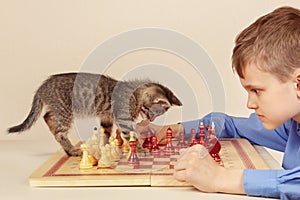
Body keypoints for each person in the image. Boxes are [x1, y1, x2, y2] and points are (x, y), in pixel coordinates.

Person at [136, 6, 300, 199]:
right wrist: (172, 131)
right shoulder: (292, 126)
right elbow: (229, 126)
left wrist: (221, 178)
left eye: (256, 90)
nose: (250, 103)